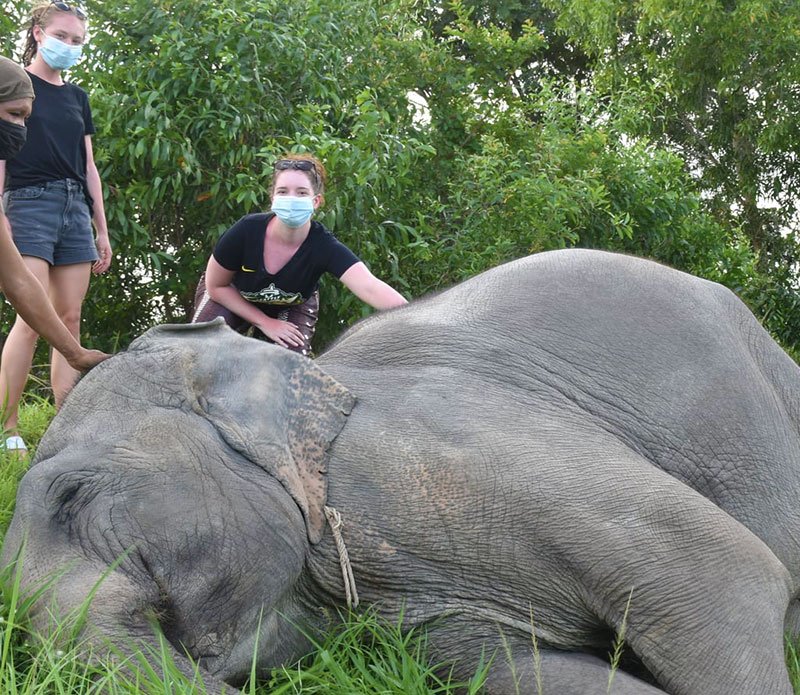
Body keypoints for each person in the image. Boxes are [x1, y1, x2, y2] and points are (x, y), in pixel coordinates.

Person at [0, 2, 112, 452]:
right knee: (29, 319)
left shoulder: (76, 98)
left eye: (77, 41)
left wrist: (100, 228)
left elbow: (88, 166)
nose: (68, 46)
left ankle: (67, 427)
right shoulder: (13, 86)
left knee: (69, 318)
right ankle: (9, 429)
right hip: (28, 203)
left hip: (74, 208)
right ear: (38, 32)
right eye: (61, 36)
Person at [193, 153, 407, 355]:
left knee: (288, 369)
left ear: (316, 201)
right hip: (231, 294)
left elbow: (370, 287)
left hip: (292, 305)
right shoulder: (246, 231)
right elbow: (216, 286)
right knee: (197, 348)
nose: (292, 198)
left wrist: (417, 318)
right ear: (273, 198)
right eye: (283, 191)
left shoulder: (324, 245)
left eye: (302, 192)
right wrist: (265, 322)